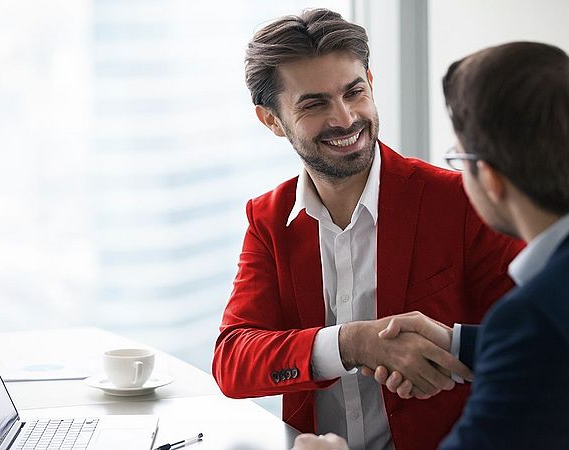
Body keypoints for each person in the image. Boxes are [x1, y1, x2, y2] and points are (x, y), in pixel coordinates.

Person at [212, 9, 522, 450]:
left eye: (354, 92)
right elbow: (233, 360)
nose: (345, 118)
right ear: (272, 121)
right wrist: (351, 343)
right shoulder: (268, 219)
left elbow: (533, 347)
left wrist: (448, 358)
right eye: (314, 104)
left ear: (371, 84)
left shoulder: (461, 201)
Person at [293, 41, 569, 450]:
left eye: (458, 156)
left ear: (489, 178)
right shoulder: (553, 305)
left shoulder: (535, 315)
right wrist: (457, 344)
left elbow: (543, 341)